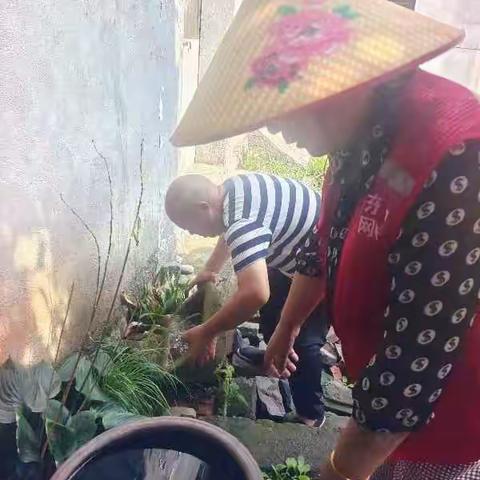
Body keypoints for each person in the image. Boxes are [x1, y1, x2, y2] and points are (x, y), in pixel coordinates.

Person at [170, 0, 480, 478]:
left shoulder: (455, 152)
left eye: (284, 104)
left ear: (341, 78)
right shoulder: (352, 142)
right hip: (380, 396)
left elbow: (413, 365)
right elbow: (321, 252)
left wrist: (338, 467)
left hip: (444, 418)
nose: (272, 124)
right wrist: (286, 329)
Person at [165, 172, 329, 426]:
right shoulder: (232, 190)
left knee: (303, 342)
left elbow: (255, 294)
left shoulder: (241, 223)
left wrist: (207, 332)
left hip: (325, 271)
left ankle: (311, 414)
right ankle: (271, 356)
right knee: (274, 316)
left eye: (189, 226)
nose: (192, 234)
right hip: (295, 255)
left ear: (203, 208)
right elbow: (228, 231)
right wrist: (211, 268)